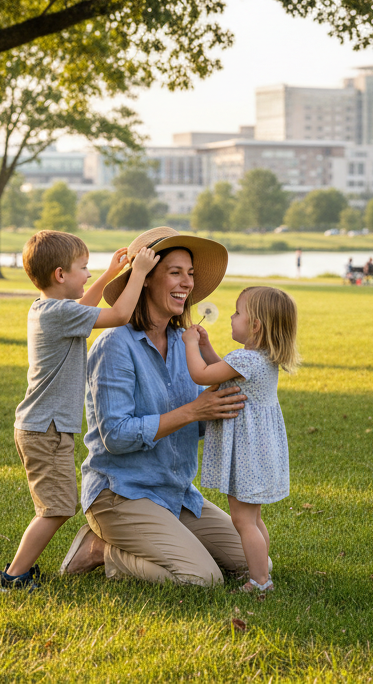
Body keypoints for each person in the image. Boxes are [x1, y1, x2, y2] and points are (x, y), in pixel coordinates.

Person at [60, 227, 253, 586]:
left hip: (174, 491)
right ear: (145, 279)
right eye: (175, 272)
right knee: (202, 579)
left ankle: (164, 538)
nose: (187, 283)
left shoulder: (186, 343)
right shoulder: (114, 345)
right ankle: (102, 550)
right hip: (121, 493)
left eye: (191, 273)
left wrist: (222, 402)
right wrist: (194, 410)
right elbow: (115, 436)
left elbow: (195, 423)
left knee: (255, 563)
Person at [0, 234, 159, 592]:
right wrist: (138, 274)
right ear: (59, 274)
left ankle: (17, 573)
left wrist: (108, 275)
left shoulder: (49, 309)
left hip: (44, 427)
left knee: (58, 506)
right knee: (56, 509)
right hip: (45, 430)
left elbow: (85, 304)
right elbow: (119, 314)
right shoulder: (58, 313)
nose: (87, 273)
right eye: (83, 268)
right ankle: (13, 578)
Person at [183, 286, 298, 593]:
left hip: (247, 455)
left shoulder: (246, 360)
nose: (232, 317)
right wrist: (207, 347)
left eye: (237, 312)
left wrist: (190, 344)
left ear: (255, 325)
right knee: (254, 519)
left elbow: (202, 375)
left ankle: (260, 582)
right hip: (259, 454)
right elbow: (222, 372)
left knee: (244, 521)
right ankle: (260, 571)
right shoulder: (259, 359)